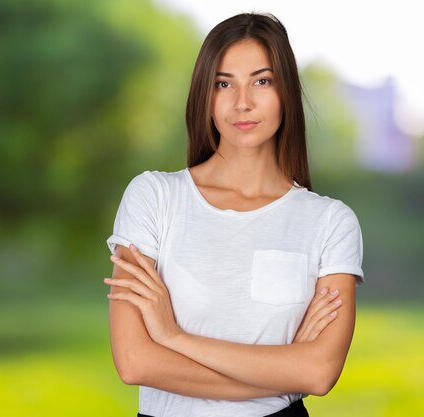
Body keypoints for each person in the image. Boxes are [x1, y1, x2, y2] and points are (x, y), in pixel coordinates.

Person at [104, 12, 364, 417]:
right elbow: (135, 361)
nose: (242, 102)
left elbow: (319, 372)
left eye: (262, 81)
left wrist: (172, 336)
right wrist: (282, 373)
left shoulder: (329, 223)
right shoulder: (154, 197)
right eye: (223, 84)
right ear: (204, 96)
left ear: (286, 93)